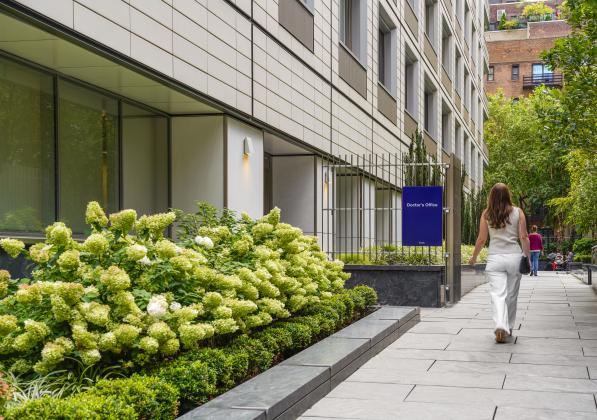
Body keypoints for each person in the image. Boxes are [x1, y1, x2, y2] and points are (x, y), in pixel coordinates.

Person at [468, 183, 530, 344]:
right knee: (511, 295)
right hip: (514, 258)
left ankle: (500, 325)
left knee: (497, 294)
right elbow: (524, 236)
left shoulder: (487, 214)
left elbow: (482, 239)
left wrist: (474, 257)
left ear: (492, 196)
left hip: (495, 259)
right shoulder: (518, 212)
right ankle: (507, 327)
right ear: (508, 195)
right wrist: (527, 257)